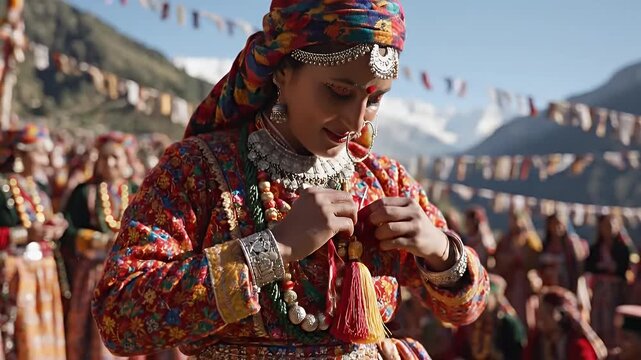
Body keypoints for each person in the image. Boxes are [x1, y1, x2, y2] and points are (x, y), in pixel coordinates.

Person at [91, 1, 489, 359]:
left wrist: (441, 253)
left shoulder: (384, 178)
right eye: (338, 91)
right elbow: (119, 320)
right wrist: (273, 248)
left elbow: (466, 309)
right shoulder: (197, 170)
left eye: (375, 99)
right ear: (282, 71)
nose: (356, 122)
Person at [0, 124, 68, 359]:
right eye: (38, 153)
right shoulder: (2, 188)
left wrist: (54, 229)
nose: (44, 160)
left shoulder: (39, 189)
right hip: (16, 278)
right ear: (20, 153)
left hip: (43, 277)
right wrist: (27, 235)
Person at [448, 274, 527, 360]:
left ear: (496, 298)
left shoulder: (509, 323)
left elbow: (515, 353)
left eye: (483, 298)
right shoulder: (470, 320)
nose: (478, 301)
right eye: (477, 298)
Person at [585, 214, 632, 348]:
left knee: (614, 322)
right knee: (598, 322)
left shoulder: (623, 248)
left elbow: (624, 269)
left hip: (616, 292)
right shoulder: (595, 249)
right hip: (599, 292)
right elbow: (590, 267)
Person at [524, 286, 607, 360]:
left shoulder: (577, 345)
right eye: (539, 313)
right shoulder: (536, 341)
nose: (541, 318)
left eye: (546, 313)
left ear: (560, 315)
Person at [494, 210, 541, 322]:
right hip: (509, 285)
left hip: (525, 287)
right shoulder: (504, 241)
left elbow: (536, 263)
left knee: (527, 316)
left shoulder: (532, 242)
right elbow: (498, 260)